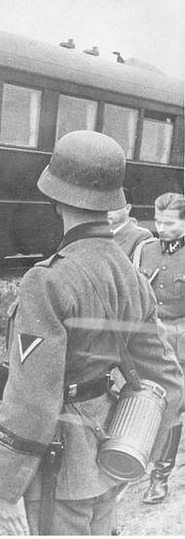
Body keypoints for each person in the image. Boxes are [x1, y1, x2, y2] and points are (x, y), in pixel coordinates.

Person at [0, 131, 183, 535]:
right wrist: (136, 454)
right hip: (108, 453)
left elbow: (33, 396)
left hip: (60, 470)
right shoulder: (131, 274)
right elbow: (169, 381)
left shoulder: (48, 280)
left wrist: (6, 486)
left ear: (55, 198)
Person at [133, 192, 185, 505]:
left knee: (173, 408)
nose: (161, 229)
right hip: (148, 340)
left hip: (181, 343)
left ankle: (160, 477)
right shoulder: (145, 249)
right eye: (157, 221)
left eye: (169, 223)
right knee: (140, 402)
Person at [107, 187, 152, 258]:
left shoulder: (142, 236)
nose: (107, 211)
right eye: (104, 207)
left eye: (113, 207)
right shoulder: (97, 233)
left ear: (128, 208)